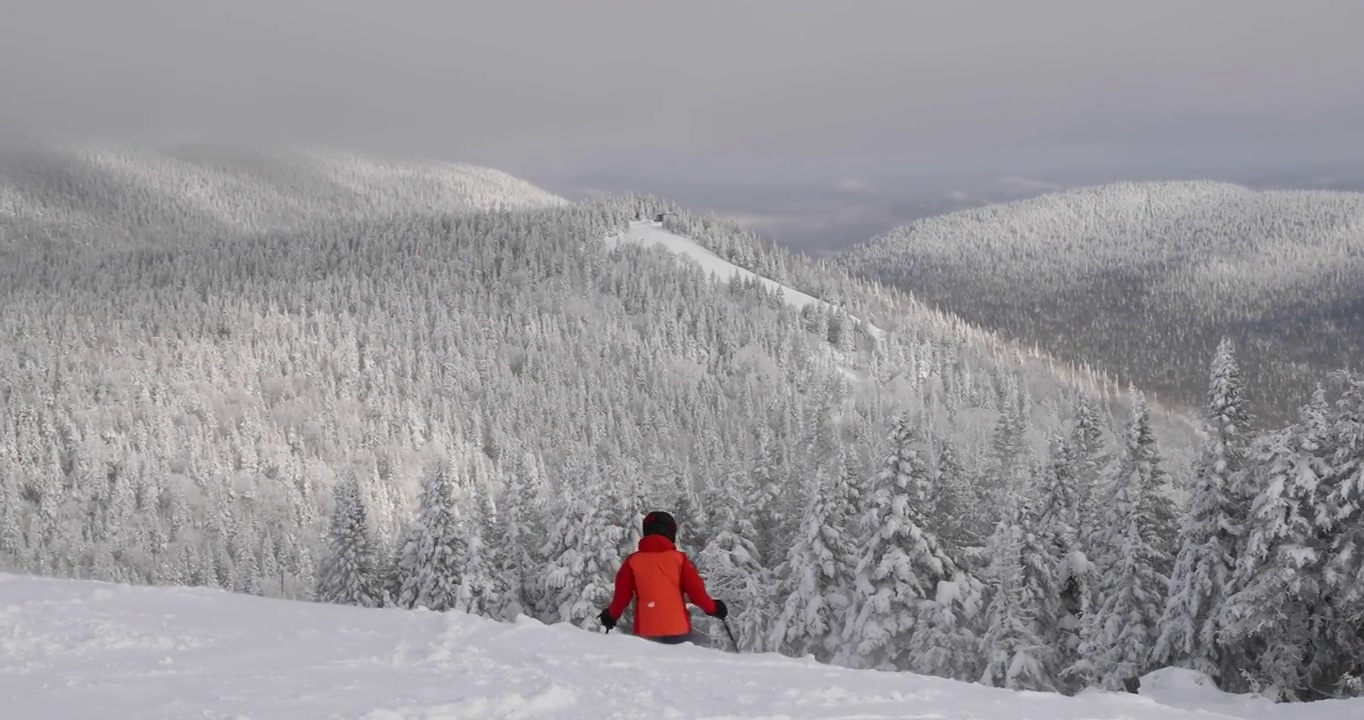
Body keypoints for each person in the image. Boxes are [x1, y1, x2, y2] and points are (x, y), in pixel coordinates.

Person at [598, 510, 727, 644]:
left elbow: (621, 597)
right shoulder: (680, 560)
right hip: (678, 628)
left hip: (645, 630)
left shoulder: (632, 561)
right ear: (671, 533)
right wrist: (714, 608)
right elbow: (696, 593)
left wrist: (611, 616)